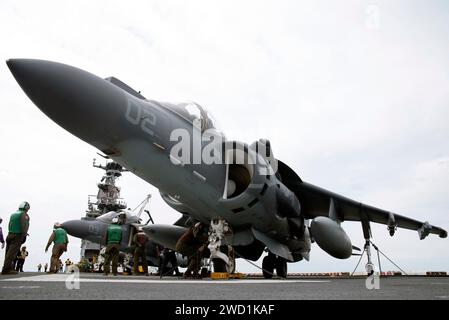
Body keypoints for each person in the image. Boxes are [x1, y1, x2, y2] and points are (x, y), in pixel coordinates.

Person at [1, 201, 30, 275]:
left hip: (10, 234)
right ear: (26, 207)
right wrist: (24, 234)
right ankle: (6, 269)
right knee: (12, 253)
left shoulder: (13, 214)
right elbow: (24, 225)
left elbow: (9, 224)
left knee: (7, 253)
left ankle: (8, 267)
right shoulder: (24, 214)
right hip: (17, 236)